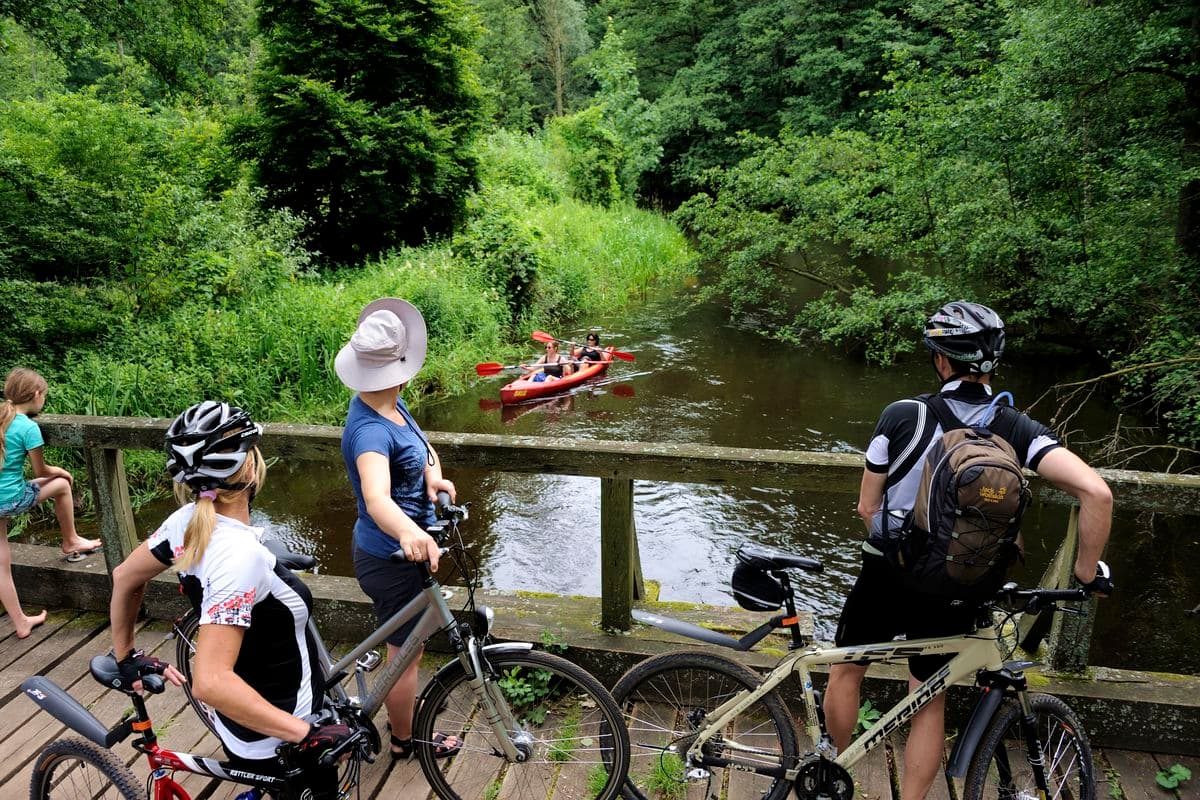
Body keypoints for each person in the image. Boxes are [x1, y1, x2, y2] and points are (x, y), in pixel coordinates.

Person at [823, 301, 1114, 800]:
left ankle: (834, 775)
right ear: (991, 365)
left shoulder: (902, 415)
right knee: (928, 699)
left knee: (847, 667)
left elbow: (867, 507)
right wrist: (1086, 575)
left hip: (888, 574)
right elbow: (1097, 494)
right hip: (959, 582)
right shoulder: (1018, 429)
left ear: (941, 360)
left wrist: (898, 547)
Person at [109, 401, 351, 795]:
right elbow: (209, 682)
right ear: (251, 468)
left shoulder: (184, 523)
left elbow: (125, 577)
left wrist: (126, 654)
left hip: (242, 723)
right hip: (280, 735)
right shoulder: (241, 556)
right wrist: (306, 733)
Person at [335, 298, 461, 760]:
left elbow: (421, 445)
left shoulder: (391, 403)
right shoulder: (369, 431)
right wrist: (411, 533)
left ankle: (402, 727)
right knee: (404, 655)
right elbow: (376, 499)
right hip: (391, 556)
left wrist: (433, 476)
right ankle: (406, 742)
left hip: (409, 548)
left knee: (411, 645)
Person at [0, 368, 102, 637]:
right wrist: (61, 471)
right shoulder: (28, 427)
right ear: (36, 395)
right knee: (61, 486)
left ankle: (21, 622)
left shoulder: (2, 417)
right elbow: (40, 472)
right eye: (43, 395)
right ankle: (70, 540)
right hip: (10, 499)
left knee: (1, 561)